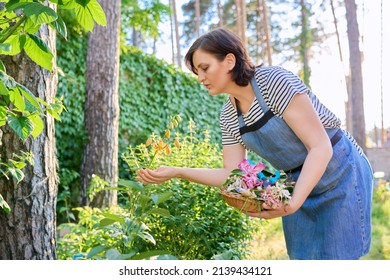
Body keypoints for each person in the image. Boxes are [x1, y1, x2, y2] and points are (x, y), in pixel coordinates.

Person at [137, 28, 373, 260]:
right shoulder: (229, 115)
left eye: (205, 68)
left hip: (339, 171)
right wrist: (178, 172)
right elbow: (231, 174)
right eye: (197, 72)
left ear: (229, 60)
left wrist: (292, 204)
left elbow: (320, 147)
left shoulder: (273, 82)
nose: (200, 78)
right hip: (294, 183)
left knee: (338, 259)